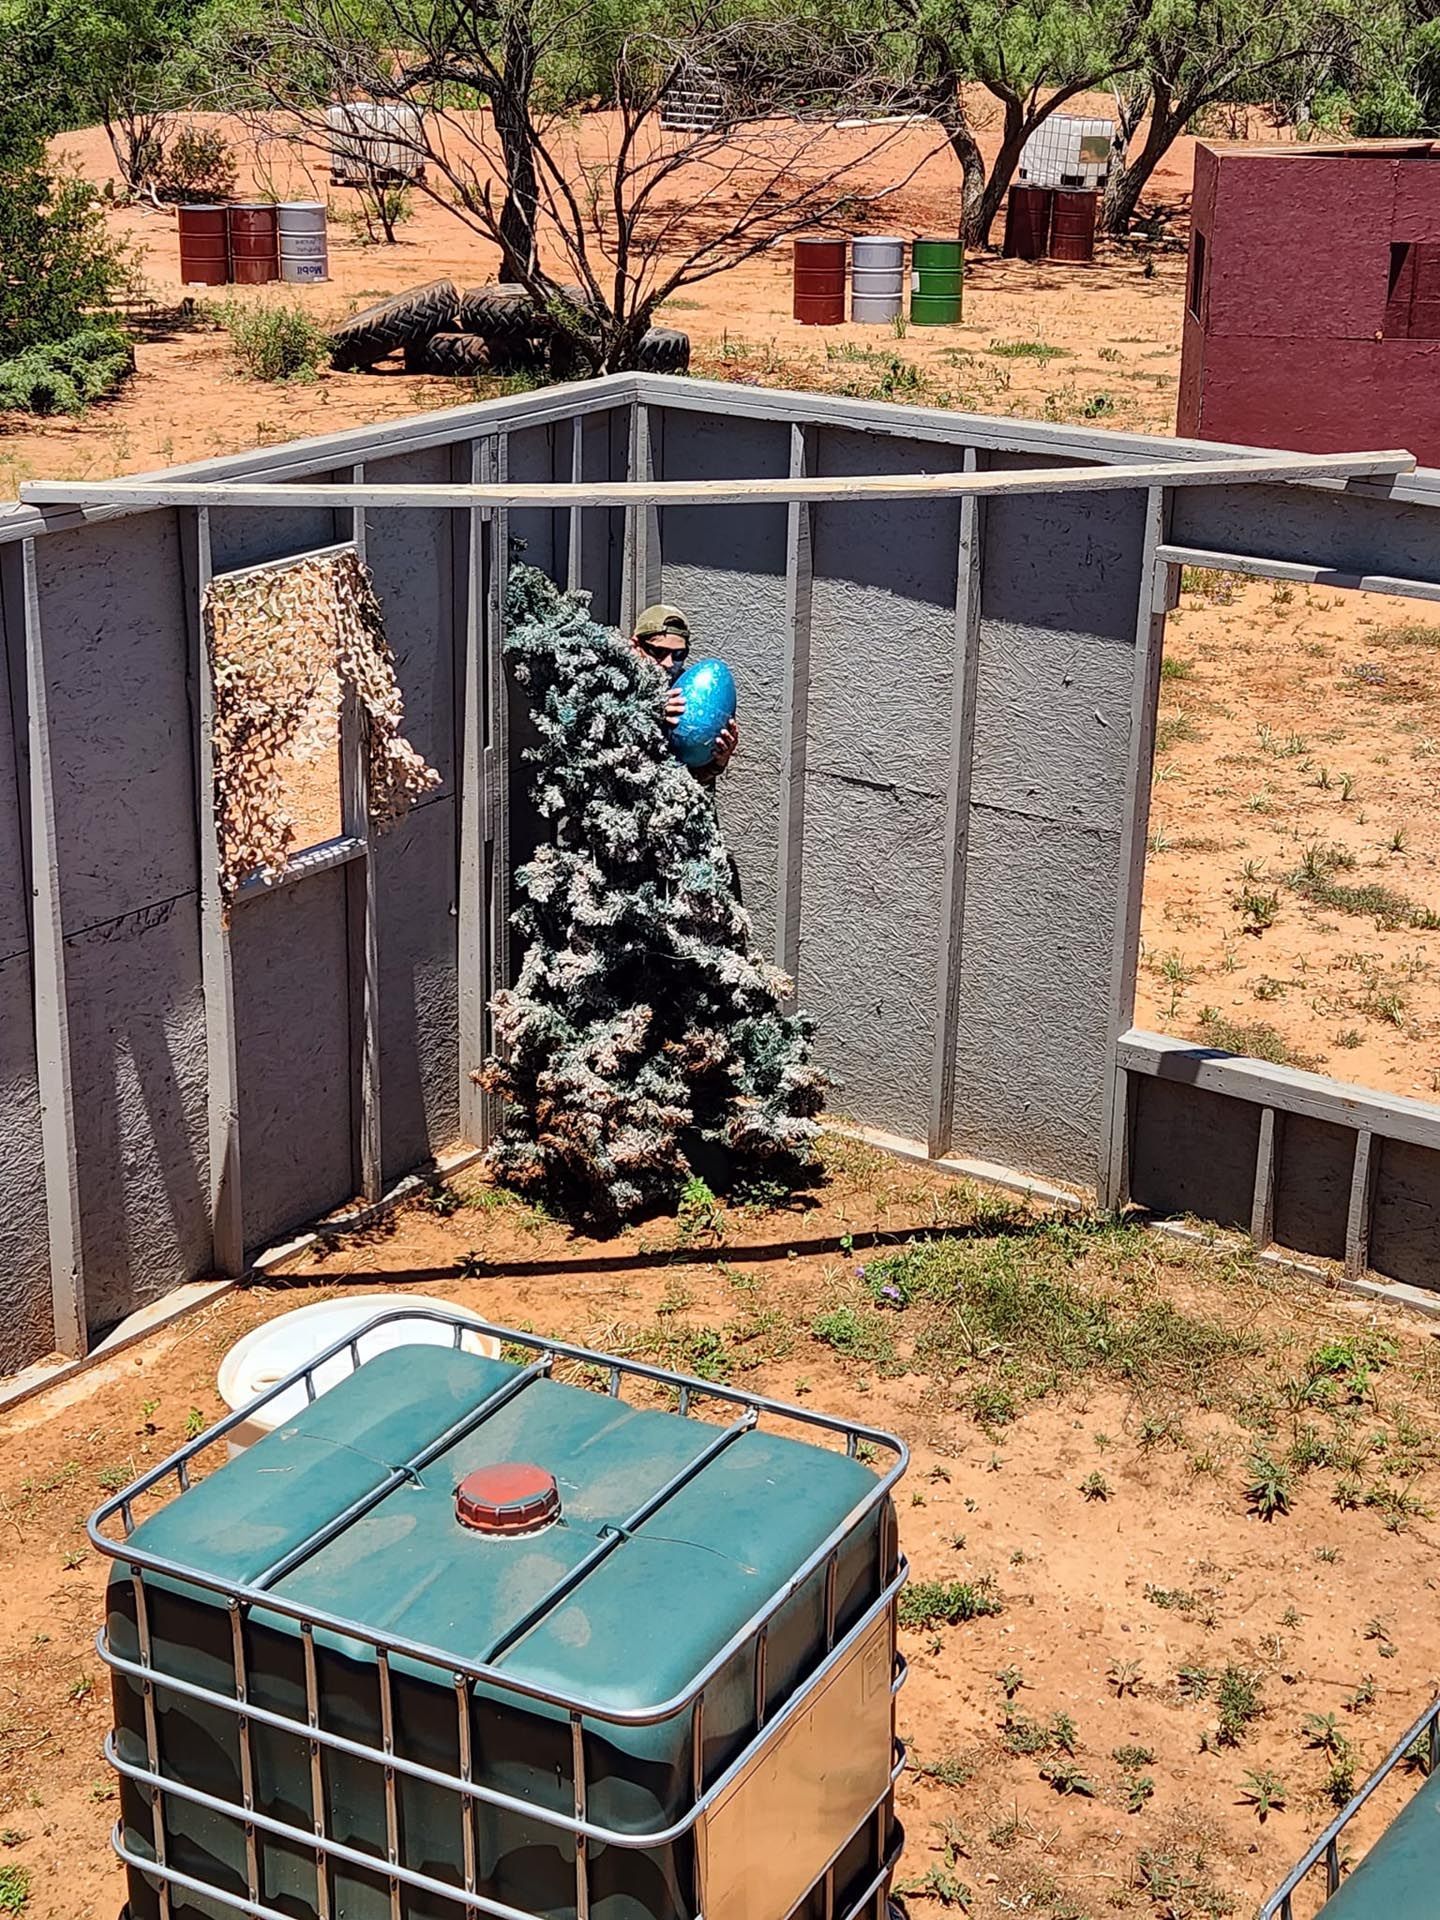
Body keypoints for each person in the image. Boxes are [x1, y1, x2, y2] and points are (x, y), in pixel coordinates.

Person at [630, 604, 739, 786]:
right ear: (635, 646)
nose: (668, 663)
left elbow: (689, 778)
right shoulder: (610, 683)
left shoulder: (690, 694)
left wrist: (716, 762)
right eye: (658, 651)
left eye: (679, 654)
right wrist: (649, 709)